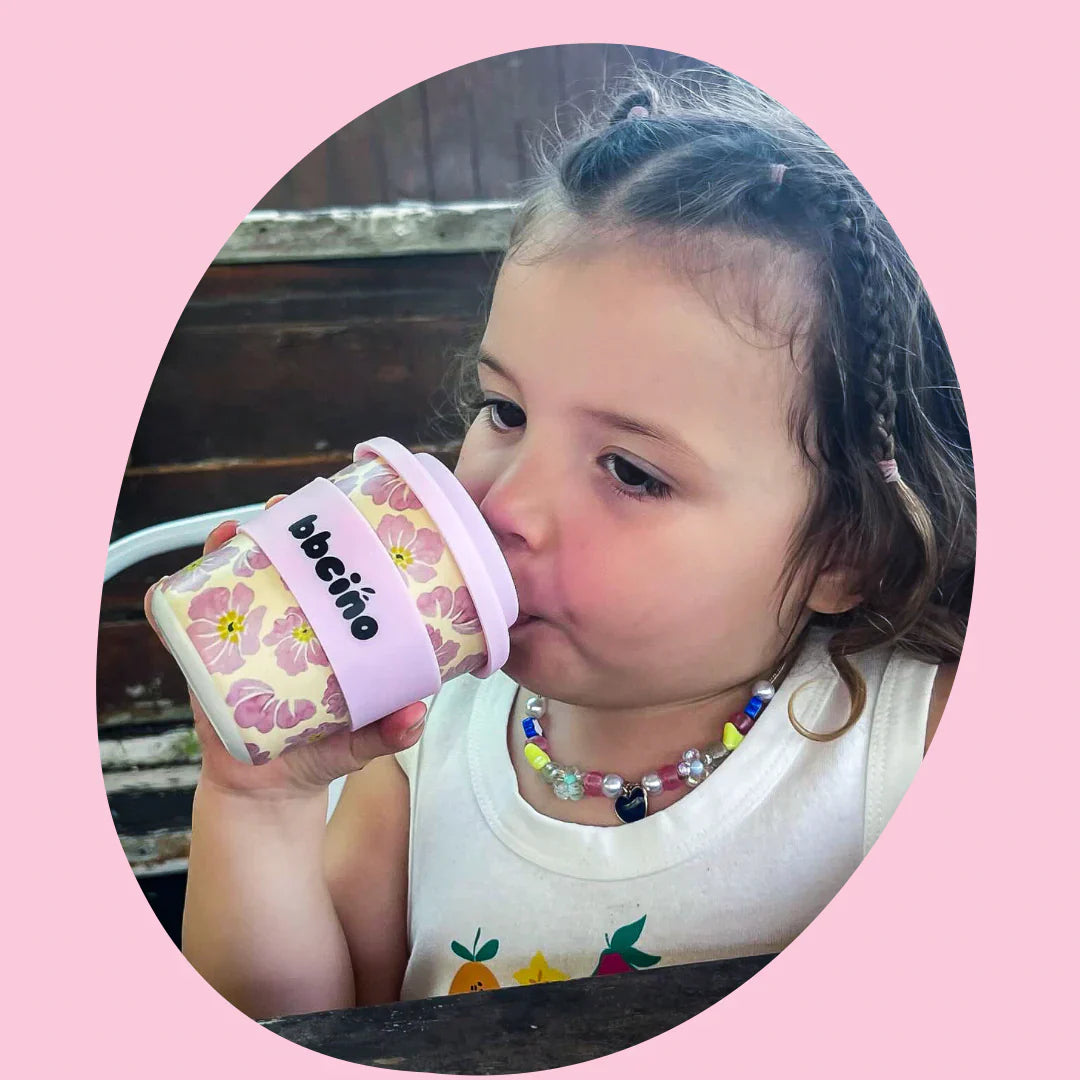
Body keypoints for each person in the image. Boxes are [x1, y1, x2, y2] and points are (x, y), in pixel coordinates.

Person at [145, 66, 973, 1020]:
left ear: (846, 550)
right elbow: (315, 1030)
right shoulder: (422, 741)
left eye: (630, 470)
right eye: (505, 409)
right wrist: (261, 803)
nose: (504, 505)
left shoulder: (907, 751)